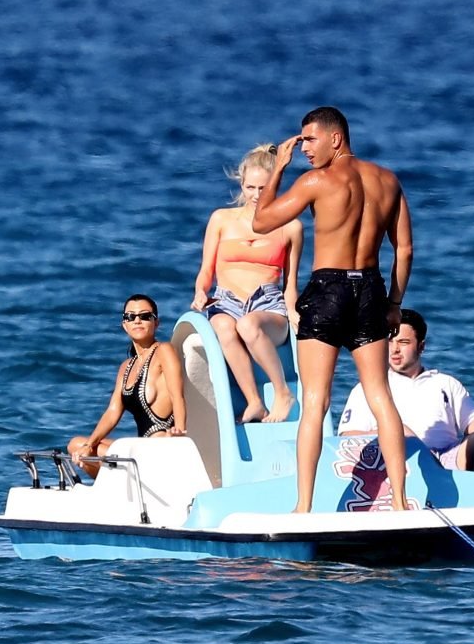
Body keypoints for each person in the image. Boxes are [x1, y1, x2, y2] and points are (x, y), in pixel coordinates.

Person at [252, 106, 415, 512]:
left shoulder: (316, 181)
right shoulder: (388, 180)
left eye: (310, 140)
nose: (304, 149)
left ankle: (303, 506)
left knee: (315, 401)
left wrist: (278, 169)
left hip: (328, 290)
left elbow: (261, 222)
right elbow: (405, 249)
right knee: (380, 395)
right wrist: (395, 303)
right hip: (371, 289)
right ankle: (399, 501)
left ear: (335, 138)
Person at [191, 144, 304, 424]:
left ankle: (283, 393)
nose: (255, 195)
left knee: (248, 325)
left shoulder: (291, 227)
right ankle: (254, 401)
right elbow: (206, 270)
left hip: (267, 305)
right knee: (223, 326)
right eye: (250, 187)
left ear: (275, 185)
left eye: (263, 188)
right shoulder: (221, 219)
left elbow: (290, 283)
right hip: (226, 301)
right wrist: (201, 292)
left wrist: (292, 311)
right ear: (241, 183)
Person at [338, 309, 474, 474]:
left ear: (421, 346)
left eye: (403, 342)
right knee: (397, 428)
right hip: (399, 461)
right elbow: (347, 436)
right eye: (390, 341)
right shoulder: (371, 386)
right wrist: (388, 431)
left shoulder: (446, 383)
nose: (395, 349)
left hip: (449, 459)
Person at [67, 294, 187, 478]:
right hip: (141, 449)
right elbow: (112, 412)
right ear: (124, 325)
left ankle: (121, 486)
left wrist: (179, 435)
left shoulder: (164, 351)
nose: (137, 321)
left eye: (145, 316)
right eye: (131, 317)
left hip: (160, 447)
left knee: (81, 447)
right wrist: (89, 445)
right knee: (77, 446)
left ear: (156, 323)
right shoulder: (126, 367)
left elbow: (177, 396)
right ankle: (115, 488)